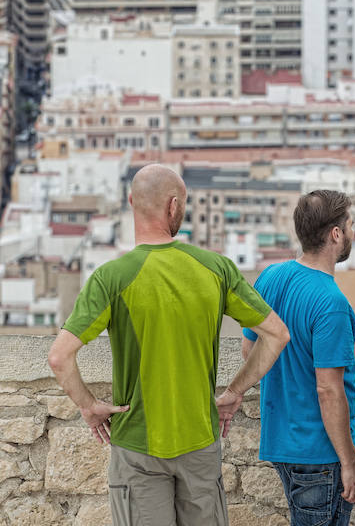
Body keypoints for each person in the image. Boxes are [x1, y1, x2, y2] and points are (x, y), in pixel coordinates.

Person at [47, 164, 290, 526]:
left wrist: (89, 406)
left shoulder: (111, 278)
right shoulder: (217, 268)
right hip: (200, 440)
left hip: (137, 444)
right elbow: (277, 335)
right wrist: (236, 391)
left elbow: (59, 357)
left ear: (131, 202)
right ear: (174, 206)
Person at [242, 190, 355, 526]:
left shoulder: (270, 277)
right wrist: (349, 462)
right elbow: (328, 390)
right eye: (350, 225)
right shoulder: (331, 303)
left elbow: (249, 350)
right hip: (319, 452)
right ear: (335, 234)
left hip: (281, 440)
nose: (353, 232)